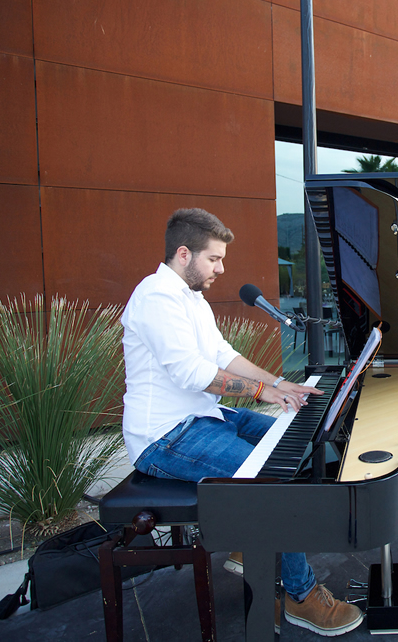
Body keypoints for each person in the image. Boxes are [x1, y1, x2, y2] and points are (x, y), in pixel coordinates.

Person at [120, 207, 364, 637]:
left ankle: (247, 541)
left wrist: (280, 384)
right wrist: (260, 392)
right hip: (165, 437)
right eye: (214, 258)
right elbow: (191, 374)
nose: (222, 267)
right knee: (272, 482)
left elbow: (222, 355)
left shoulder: (189, 297)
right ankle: (300, 595)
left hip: (204, 418)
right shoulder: (156, 297)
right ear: (183, 254)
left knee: (291, 434)